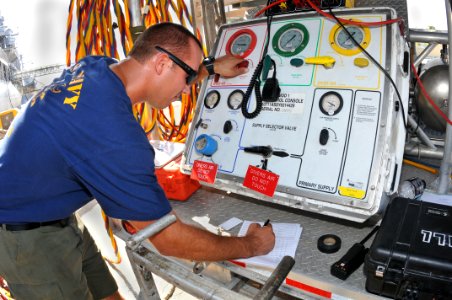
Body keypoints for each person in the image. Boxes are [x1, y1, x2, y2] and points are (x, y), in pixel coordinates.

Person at [0, 22, 275, 300]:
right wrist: (251, 244)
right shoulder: (114, 135)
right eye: (187, 77)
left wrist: (209, 68)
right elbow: (168, 239)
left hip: (55, 214)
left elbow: (130, 87)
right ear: (162, 62)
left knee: (107, 294)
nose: (186, 89)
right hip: (25, 236)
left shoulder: (96, 67)